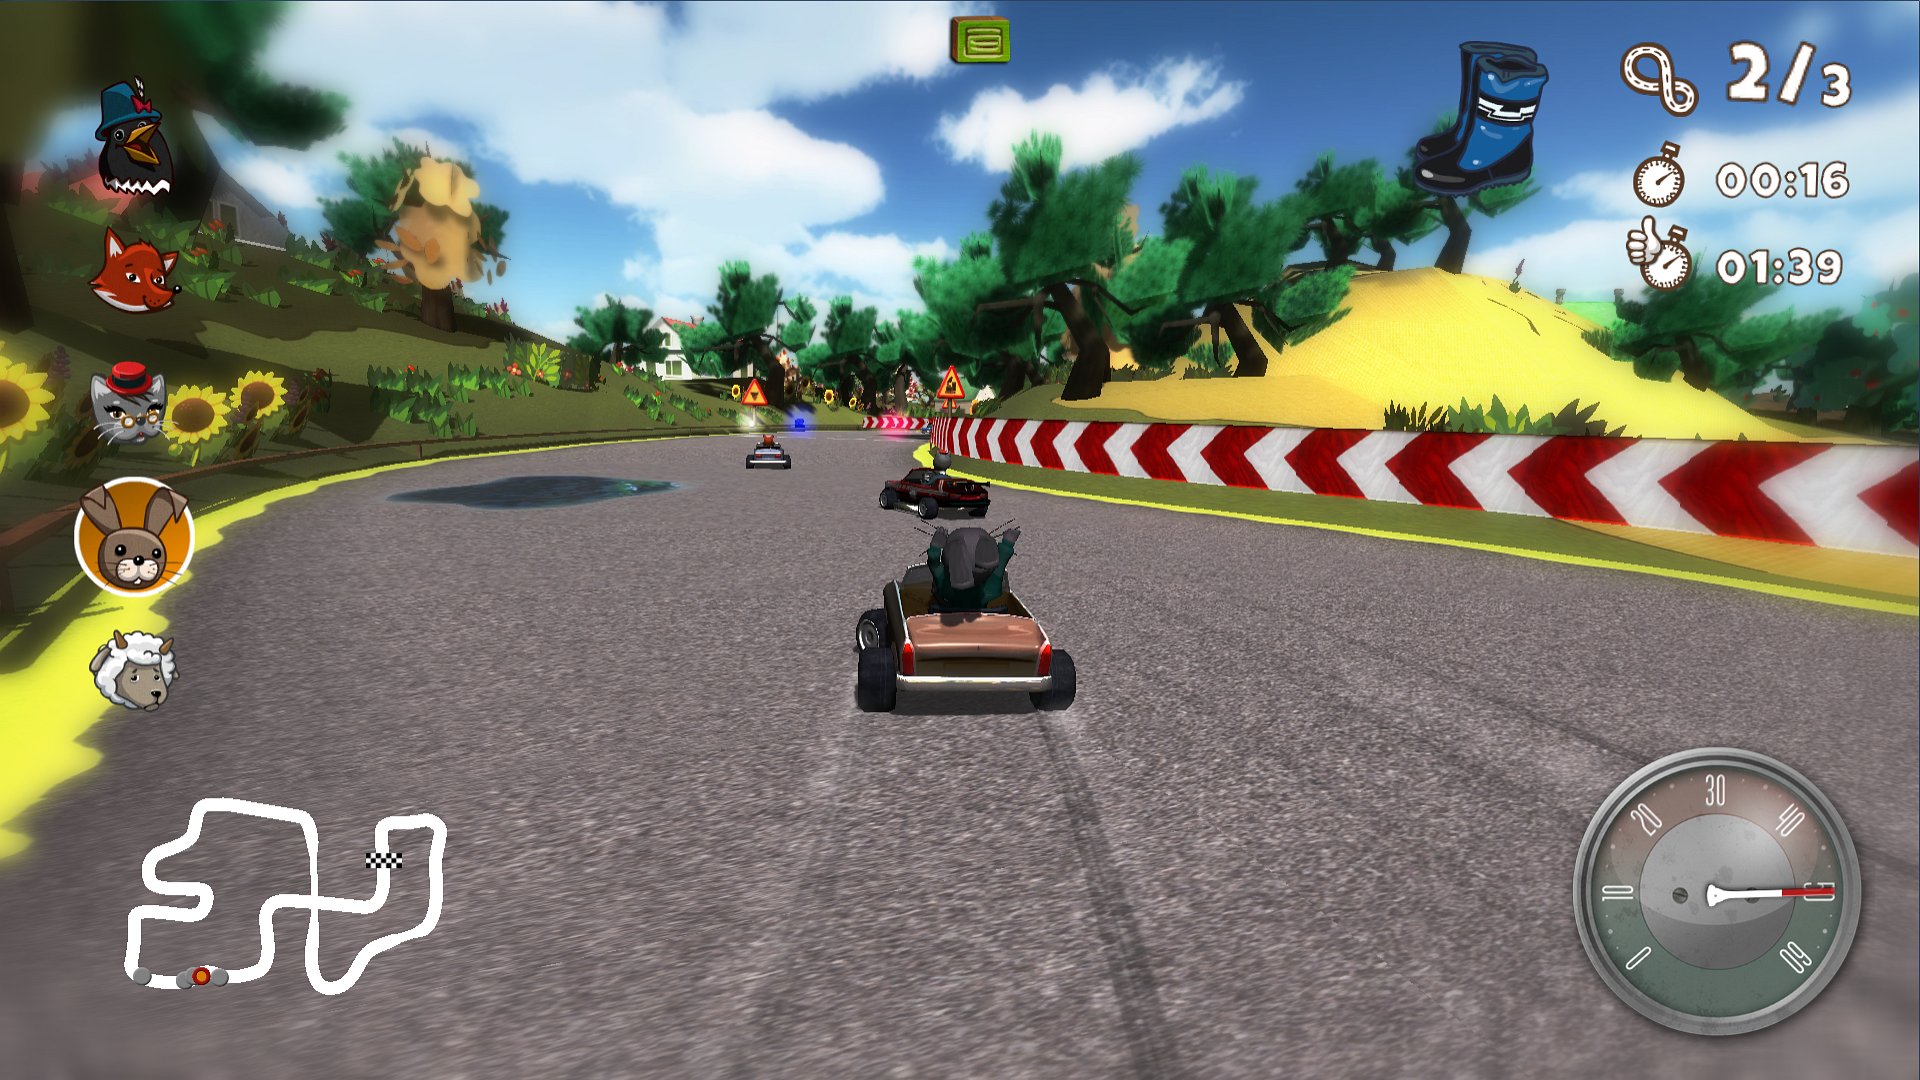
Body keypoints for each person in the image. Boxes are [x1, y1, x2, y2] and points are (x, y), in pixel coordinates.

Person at [926, 526, 1018, 612]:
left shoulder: (945, 587)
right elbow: (1000, 565)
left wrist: (935, 547)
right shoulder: (990, 588)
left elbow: (935, 565)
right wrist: (1007, 543)